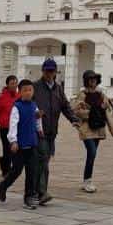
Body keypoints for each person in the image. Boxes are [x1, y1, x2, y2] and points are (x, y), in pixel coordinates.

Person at [33, 58, 79, 205]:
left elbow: (65, 106)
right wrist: (34, 114)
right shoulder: (35, 87)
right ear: (43, 71)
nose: (49, 73)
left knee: (43, 161)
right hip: (39, 130)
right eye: (47, 71)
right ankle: (42, 192)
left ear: (55, 72)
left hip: (52, 131)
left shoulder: (58, 88)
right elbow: (26, 104)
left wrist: (73, 119)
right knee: (43, 160)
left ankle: (35, 190)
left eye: (52, 71)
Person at [0, 79, 42, 209]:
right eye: (25, 90)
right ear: (20, 92)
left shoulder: (34, 106)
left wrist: (40, 131)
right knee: (16, 171)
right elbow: (13, 125)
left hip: (32, 144)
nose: (28, 92)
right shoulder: (17, 107)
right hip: (20, 146)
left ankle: (28, 197)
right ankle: (3, 185)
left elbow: (37, 120)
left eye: (30, 90)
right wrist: (13, 141)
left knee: (32, 172)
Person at [73, 70, 113, 192]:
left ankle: (87, 180)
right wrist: (92, 112)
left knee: (92, 155)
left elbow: (105, 111)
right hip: (86, 128)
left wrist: (111, 127)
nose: (93, 81)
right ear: (86, 80)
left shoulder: (101, 94)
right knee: (92, 152)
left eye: (94, 79)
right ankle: (87, 181)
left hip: (98, 128)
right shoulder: (82, 94)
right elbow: (76, 111)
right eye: (90, 79)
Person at [0, 75, 18, 175]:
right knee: (7, 149)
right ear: (7, 85)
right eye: (12, 83)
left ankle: (5, 163)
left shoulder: (19, 96)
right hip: (5, 128)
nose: (14, 85)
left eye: (15, 83)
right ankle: (6, 170)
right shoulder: (2, 98)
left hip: (15, 128)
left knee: (14, 149)